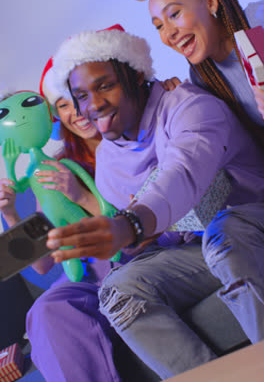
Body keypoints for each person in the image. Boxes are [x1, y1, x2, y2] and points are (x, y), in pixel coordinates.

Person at [41, 24, 264, 379]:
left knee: (223, 235)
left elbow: (184, 171)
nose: (93, 105)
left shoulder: (189, 107)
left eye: (105, 85)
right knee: (117, 292)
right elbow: (171, 236)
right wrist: (145, 238)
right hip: (200, 250)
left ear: (136, 76)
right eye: (81, 95)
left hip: (250, 221)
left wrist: (132, 223)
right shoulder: (108, 168)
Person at [0, 49, 180, 381]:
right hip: (87, 277)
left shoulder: (139, 136)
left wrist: (81, 194)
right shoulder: (54, 165)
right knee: (45, 310)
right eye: (64, 105)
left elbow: (155, 217)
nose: (77, 112)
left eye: (78, 98)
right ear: (54, 116)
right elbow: (42, 264)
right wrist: (10, 214)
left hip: (142, 254)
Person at [146, 0, 264, 345]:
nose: (168, 33)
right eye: (159, 26)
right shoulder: (203, 79)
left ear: (210, 2)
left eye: (174, 14)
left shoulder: (260, 22)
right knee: (224, 232)